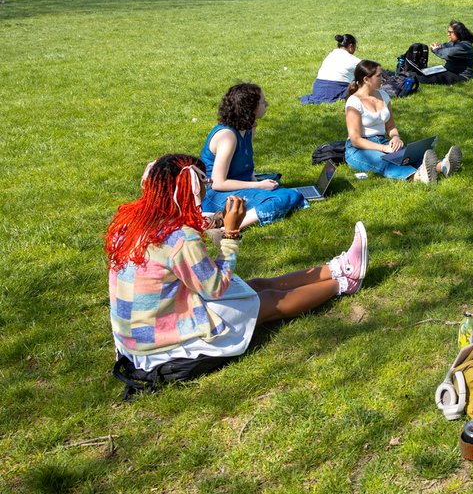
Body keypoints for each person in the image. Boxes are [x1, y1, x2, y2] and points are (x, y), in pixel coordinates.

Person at [107, 154, 367, 378]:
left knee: (255, 286)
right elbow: (216, 287)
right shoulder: (179, 237)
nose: (206, 189)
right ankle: (344, 282)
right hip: (163, 346)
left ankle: (336, 267)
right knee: (267, 303)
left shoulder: (131, 222)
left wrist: (208, 225)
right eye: (203, 184)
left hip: (136, 335)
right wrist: (231, 234)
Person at [200, 83, 306, 227]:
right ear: (250, 108)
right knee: (286, 197)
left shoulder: (249, 128)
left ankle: (234, 217)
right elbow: (218, 183)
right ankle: (227, 227)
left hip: (238, 188)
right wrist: (258, 186)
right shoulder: (228, 137)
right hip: (215, 196)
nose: (266, 104)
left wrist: (256, 182)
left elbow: (246, 164)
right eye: (262, 102)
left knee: (284, 190)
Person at [344, 60, 461, 183]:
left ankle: (442, 166)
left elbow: (391, 126)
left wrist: (395, 137)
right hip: (359, 150)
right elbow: (356, 140)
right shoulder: (354, 102)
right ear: (366, 79)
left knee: (410, 156)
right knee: (385, 162)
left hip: (382, 141)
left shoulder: (383, 95)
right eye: (378, 76)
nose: (382, 79)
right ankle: (418, 177)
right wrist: (383, 148)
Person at [408, 20, 473, 85]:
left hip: (460, 76)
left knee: (423, 77)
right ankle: (407, 74)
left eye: (450, 32)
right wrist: (439, 46)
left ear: (458, 33)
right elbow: (445, 45)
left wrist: (436, 50)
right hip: (449, 71)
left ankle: (407, 75)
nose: (448, 34)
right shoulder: (456, 42)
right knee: (425, 72)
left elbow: (448, 54)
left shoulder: (465, 46)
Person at [300, 33, 359, 104]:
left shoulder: (330, 55)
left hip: (318, 90)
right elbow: (370, 70)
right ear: (351, 46)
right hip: (335, 90)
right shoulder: (353, 60)